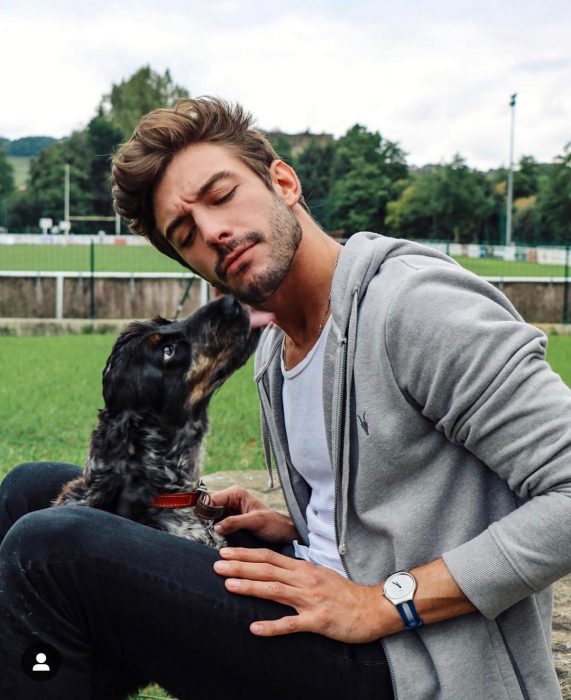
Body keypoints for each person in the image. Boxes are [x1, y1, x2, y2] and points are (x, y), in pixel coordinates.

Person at [1, 97, 570, 700]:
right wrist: (293, 528)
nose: (214, 233)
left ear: (283, 180)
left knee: (51, 551)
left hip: (410, 661)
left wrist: (383, 602)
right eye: (186, 234)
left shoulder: (414, 307)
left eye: (220, 196)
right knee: (31, 488)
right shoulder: (277, 344)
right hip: (320, 599)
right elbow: (382, 497)